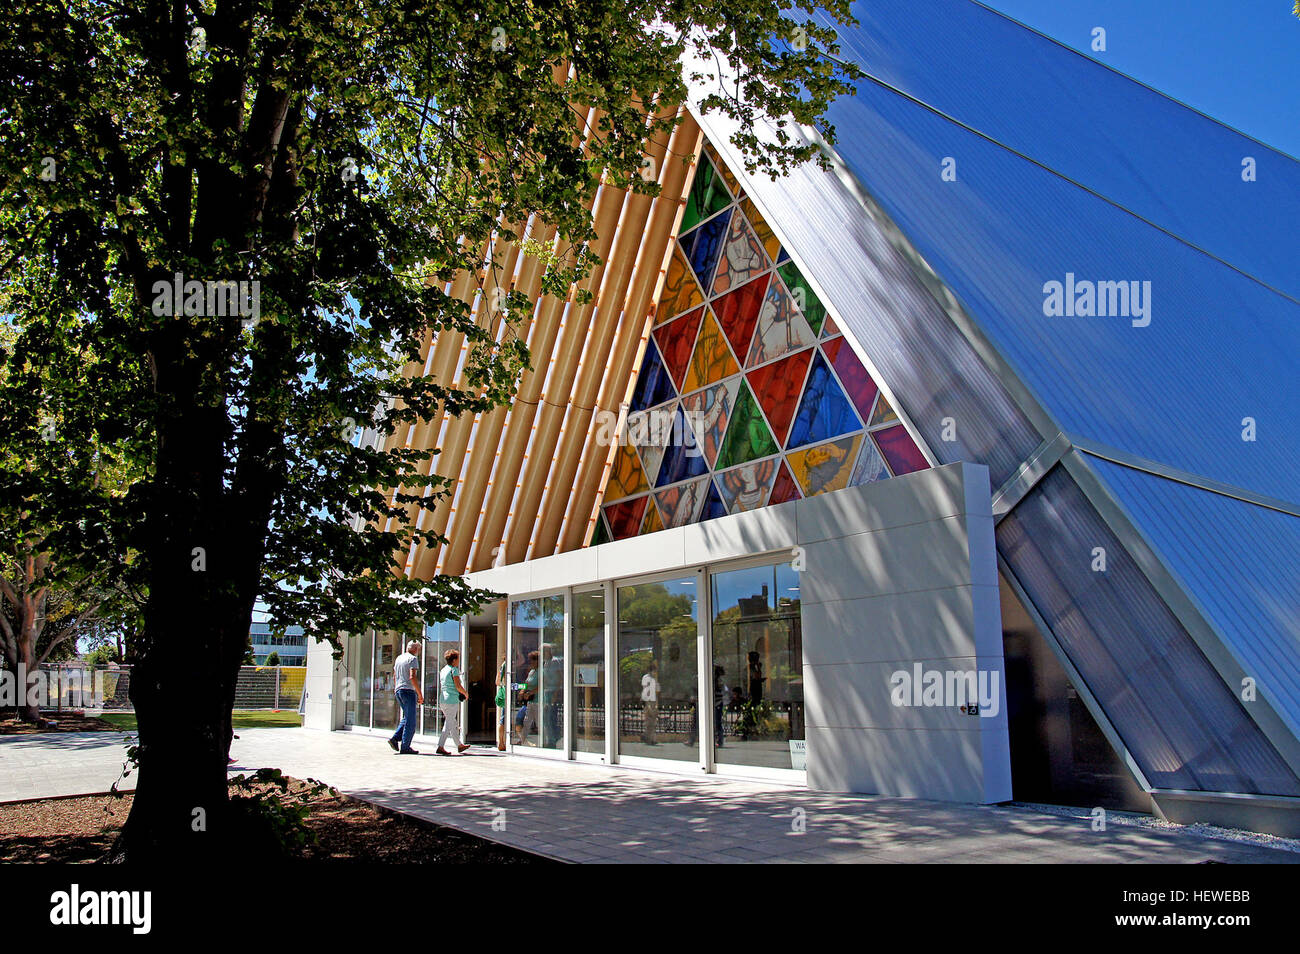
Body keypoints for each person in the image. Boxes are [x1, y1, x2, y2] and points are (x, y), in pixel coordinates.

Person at [387, 641, 422, 754]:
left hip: (399, 690)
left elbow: (394, 676)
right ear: (416, 649)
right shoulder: (413, 659)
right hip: (408, 691)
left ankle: (395, 738)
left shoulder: (399, 658)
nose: (419, 652)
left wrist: (396, 688)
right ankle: (405, 746)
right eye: (419, 649)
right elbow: (412, 677)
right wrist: (419, 693)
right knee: (411, 721)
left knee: (407, 717)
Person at [436, 648, 471, 755]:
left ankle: (459, 745)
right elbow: (458, 685)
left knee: (452, 722)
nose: (459, 661)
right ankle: (440, 746)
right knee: (449, 723)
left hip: (443, 698)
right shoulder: (454, 670)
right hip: (451, 699)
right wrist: (465, 693)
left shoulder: (443, 670)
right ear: (454, 660)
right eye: (458, 658)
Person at [640, 659, 659, 745]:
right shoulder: (647, 678)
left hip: (652, 701)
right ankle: (649, 737)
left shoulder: (653, 679)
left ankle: (650, 738)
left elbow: (657, 690)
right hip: (649, 700)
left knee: (652, 721)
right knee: (649, 721)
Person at [495, 658, 508, 751]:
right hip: (507, 694)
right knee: (503, 719)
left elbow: (497, 681)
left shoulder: (502, 665)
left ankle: (501, 742)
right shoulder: (506, 665)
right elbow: (497, 681)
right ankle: (501, 742)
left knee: (503, 718)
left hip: (505, 692)